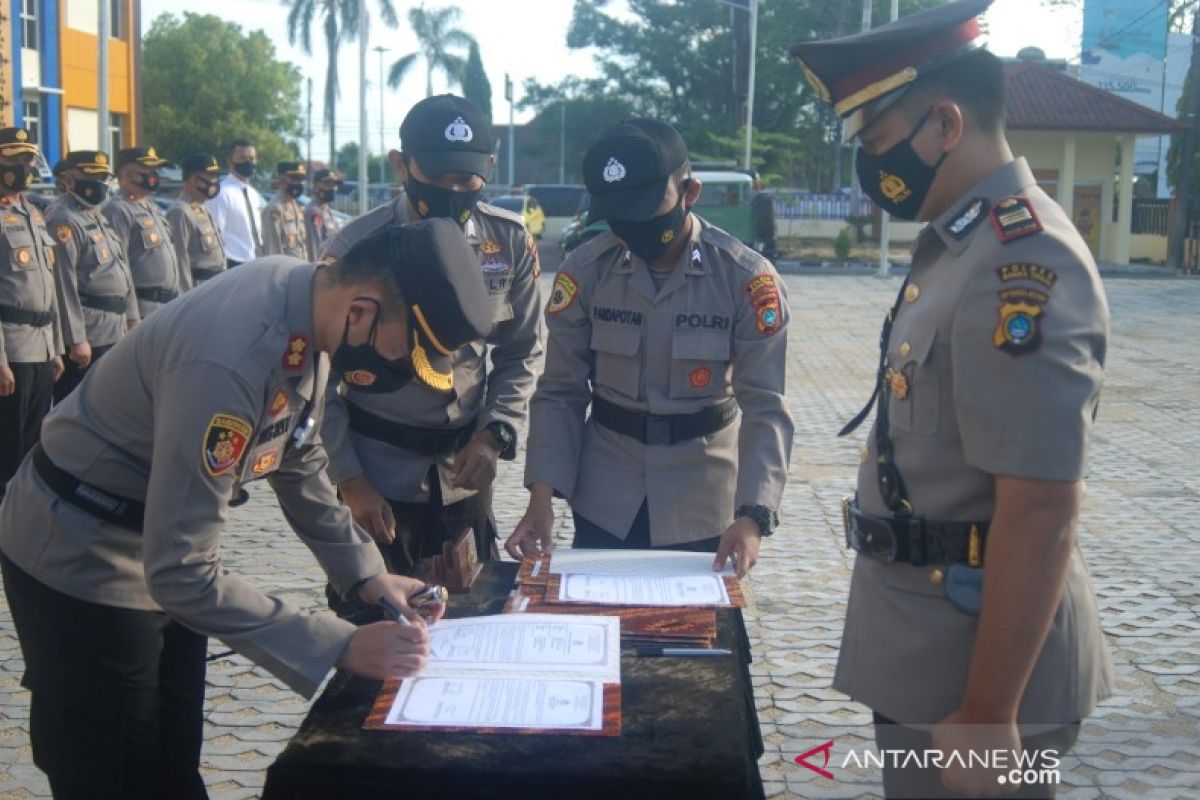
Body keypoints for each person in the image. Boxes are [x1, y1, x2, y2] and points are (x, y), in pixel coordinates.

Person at [0, 217, 491, 799]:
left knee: (171, 764)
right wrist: (339, 645)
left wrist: (366, 573)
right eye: (403, 354)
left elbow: (297, 452)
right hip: (81, 552)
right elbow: (182, 573)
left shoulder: (307, 303)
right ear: (362, 310)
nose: (402, 372)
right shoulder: (229, 361)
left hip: (157, 541)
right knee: (114, 769)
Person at [789, 1, 1111, 796]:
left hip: (979, 672)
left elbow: (1041, 506)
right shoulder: (959, 243)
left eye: (875, 141)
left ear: (943, 123)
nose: (872, 167)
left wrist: (990, 711)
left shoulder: (1019, 260)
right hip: (928, 641)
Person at [505, 118, 793, 578]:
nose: (633, 228)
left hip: (702, 501)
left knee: (694, 642)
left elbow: (766, 407)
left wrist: (754, 514)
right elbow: (561, 391)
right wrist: (541, 498)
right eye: (620, 216)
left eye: (645, 207)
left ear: (690, 192)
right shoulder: (586, 271)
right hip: (605, 498)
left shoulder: (744, 280)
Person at [320, 94, 544, 592]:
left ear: (488, 167)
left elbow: (521, 350)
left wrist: (496, 434)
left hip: (465, 472)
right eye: (438, 177)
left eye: (466, 180)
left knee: (472, 614)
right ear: (401, 164)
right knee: (377, 621)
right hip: (378, 476)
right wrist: (350, 480)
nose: (452, 191)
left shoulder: (507, 242)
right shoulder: (355, 250)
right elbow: (319, 380)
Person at [0, 127, 64, 500]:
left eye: (29, 161)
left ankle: (22, 529)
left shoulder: (33, 213)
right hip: (13, 349)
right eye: (17, 161)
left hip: (40, 347)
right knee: (6, 450)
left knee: (31, 448)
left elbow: (49, 287)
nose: (26, 168)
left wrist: (55, 347)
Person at [45, 150, 138, 401]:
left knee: (109, 404)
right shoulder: (63, 219)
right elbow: (63, 284)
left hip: (114, 327)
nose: (98, 183)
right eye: (91, 176)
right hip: (90, 331)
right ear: (70, 179)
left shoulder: (97, 215)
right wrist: (76, 339)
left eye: (102, 176)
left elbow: (121, 267)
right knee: (79, 406)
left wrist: (131, 317)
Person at [103, 146, 188, 317]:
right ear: (125, 175)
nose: (152, 175)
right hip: (145, 307)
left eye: (154, 169)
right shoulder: (117, 209)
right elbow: (122, 266)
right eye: (146, 170)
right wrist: (131, 315)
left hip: (169, 303)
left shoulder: (152, 208)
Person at [167, 153, 228, 285]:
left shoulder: (203, 209)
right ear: (195, 180)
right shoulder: (180, 212)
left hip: (215, 285)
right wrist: (186, 300)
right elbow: (180, 261)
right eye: (211, 176)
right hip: (198, 289)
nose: (215, 181)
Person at [206, 139, 263, 267]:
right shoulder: (221, 193)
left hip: (256, 262)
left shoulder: (255, 195)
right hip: (233, 264)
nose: (248, 162)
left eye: (251, 158)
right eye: (242, 158)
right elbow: (216, 235)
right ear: (230, 161)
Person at [262, 161, 309, 259]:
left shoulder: (296, 207)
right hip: (286, 271)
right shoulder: (274, 208)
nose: (298, 183)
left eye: (300, 179)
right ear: (282, 181)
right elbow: (272, 250)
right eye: (294, 179)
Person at [305, 168, 343, 261]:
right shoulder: (313, 211)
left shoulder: (326, 210)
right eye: (328, 184)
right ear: (316, 185)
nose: (333, 188)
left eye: (334, 184)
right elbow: (315, 246)